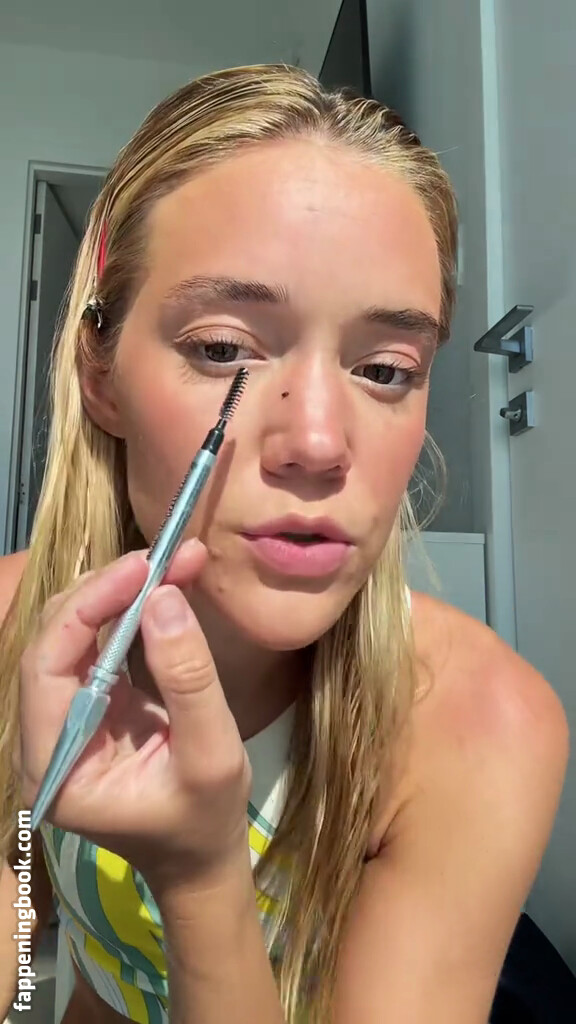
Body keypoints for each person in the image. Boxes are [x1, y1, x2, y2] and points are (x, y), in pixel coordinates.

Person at [0, 64, 568, 1024]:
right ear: (100, 375)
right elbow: (23, 921)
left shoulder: (485, 727)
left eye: (385, 368)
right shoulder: (16, 625)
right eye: (224, 349)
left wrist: (201, 881)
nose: (316, 442)